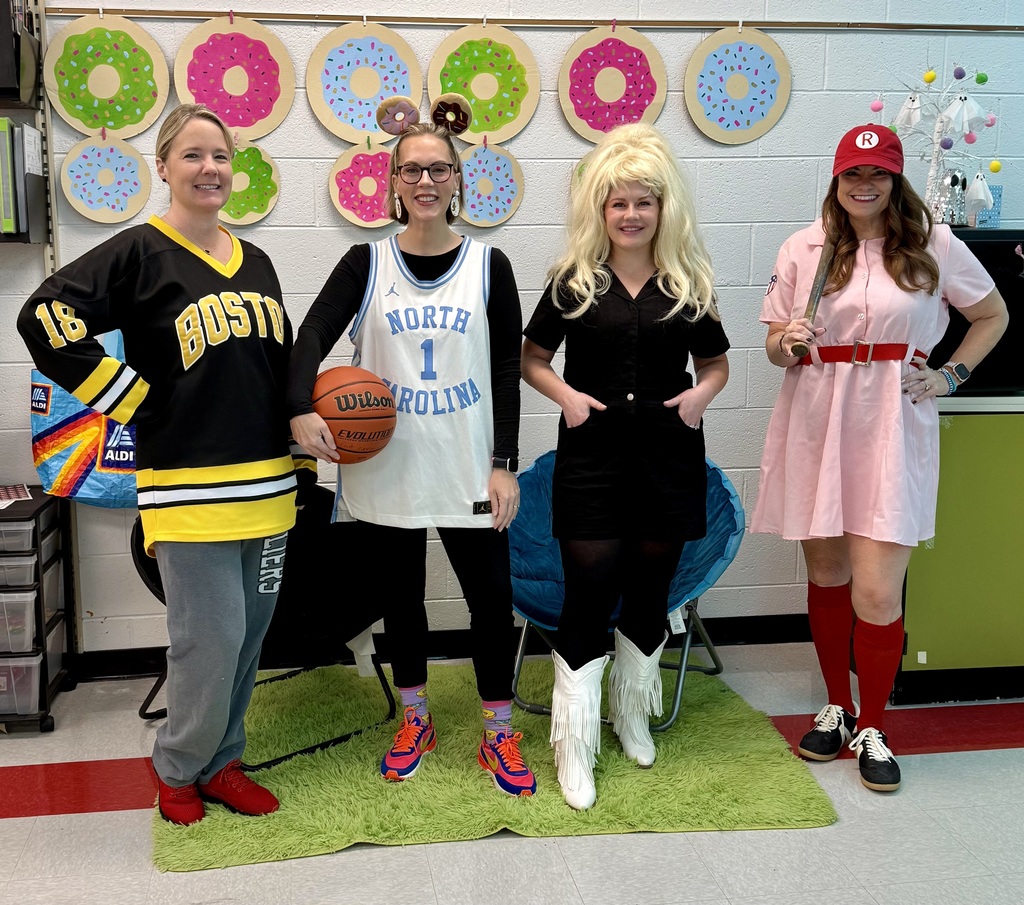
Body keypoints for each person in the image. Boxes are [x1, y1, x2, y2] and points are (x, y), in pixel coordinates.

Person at [18, 104, 314, 825]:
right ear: (164, 166)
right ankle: (179, 768)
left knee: (248, 642)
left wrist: (302, 436)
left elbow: (275, 368)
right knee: (206, 643)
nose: (210, 167)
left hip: (270, 489)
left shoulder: (262, 261)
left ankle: (224, 760)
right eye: (193, 155)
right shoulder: (138, 252)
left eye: (220, 155)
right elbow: (43, 318)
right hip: (189, 492)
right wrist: (129, 398)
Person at [751, 124, 1008, 792]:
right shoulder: (805, 246)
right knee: (829, 570)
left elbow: (993, 316)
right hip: (817, 412)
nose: (864, 185)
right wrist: (787, 341)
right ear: (836, 181)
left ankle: (873, 721)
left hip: (892, 419)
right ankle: (835, 705)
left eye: (878, 173)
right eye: (852, 174)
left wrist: (949, 376)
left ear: (895, 180)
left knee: (875, 587)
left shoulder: (934, 245)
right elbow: (774, 344)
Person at [287, 121, 536, 797]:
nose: (425, 181)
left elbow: (508, 369)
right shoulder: (366, 263)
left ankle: (498, 731)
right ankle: (416, 719)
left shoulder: (491, 264)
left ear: (458, 181)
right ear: (394, 184)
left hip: (467, 465)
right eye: (412, 170)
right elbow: (309, 333)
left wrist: (504, 460)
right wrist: (299, 406)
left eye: (438, 169)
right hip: (385, 465)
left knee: (491, 601)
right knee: (402, 602)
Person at [521, 122, 730, 810]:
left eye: (644, 202)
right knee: (587, 595)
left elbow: (717, 364)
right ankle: (572, 745)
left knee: (649, 594)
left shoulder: (688, 280)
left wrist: (700, 398)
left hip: (669, 459)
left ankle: (632, 713)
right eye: (619, 203)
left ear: (664, 208)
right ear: (599, 211)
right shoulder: (573, 281)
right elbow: (531, 358)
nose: (632, 214)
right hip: (592, 462)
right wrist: (565, 397)